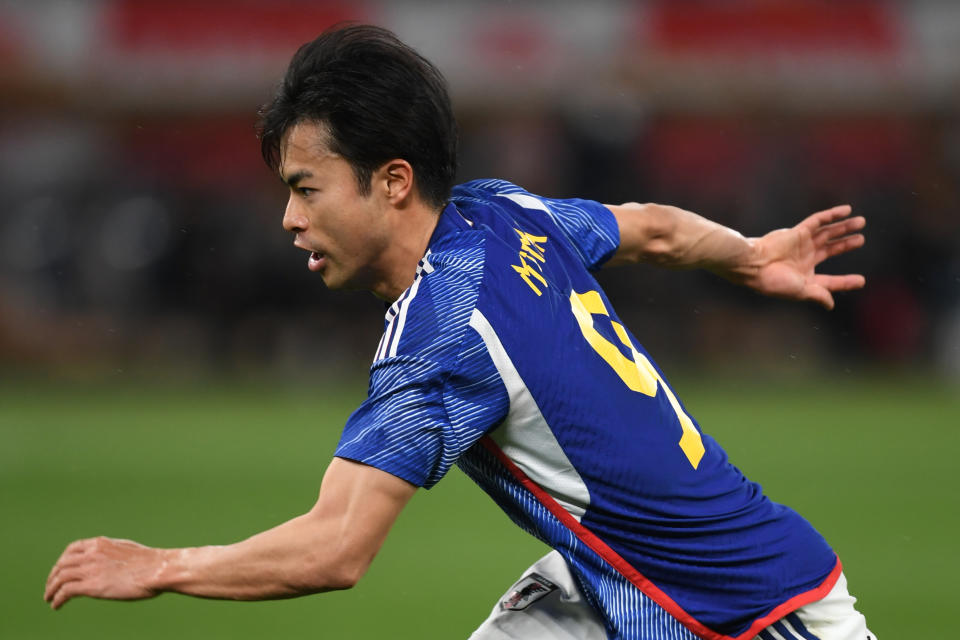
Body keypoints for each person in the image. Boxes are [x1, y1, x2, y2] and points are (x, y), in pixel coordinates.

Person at [44, 24, 874, 640]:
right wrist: (751, 255)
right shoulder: (502, 212)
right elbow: (650, 227)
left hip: (746, 611)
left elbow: (336, 548)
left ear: (394, 182)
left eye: (307, 188)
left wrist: (163, 567)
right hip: (623, 582)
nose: (290, 219)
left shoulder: (444, 337)